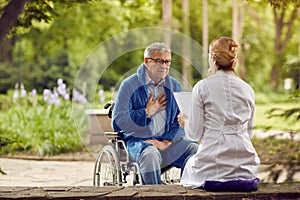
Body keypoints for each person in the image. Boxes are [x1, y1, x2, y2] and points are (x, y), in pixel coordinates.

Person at [177, 36, 260, 191]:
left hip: (211, 167)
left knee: (190, 165)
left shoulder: (202, 87)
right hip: (245, 167)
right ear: (234, 60)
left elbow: (195, 134)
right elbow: (249, 133)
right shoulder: (247, 89)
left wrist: (185, 122)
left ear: (213, 58)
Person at [112, 42, 198, 185]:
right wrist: (146, 113)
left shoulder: (175, 86)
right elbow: (118, 122)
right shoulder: (129, 85)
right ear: (146, 61)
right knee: (150, 154)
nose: (164, 65)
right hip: (139, 143)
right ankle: (155, 193)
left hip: (167, 144)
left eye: (167, 61)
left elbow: (181, 121)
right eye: (159, 61)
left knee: (194, 149)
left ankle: (185, 190)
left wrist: (166, 141)